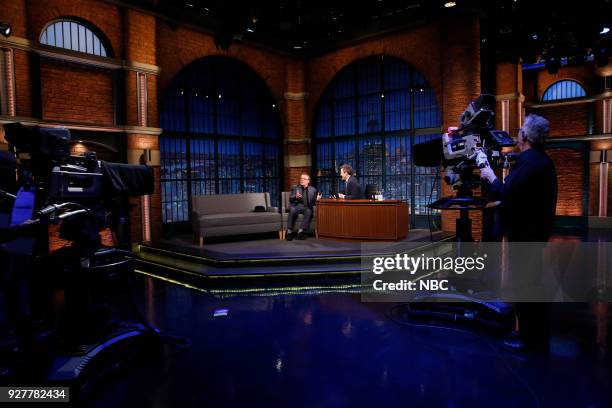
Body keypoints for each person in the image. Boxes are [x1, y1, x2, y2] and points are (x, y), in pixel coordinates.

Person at [480, 113, 557, 351]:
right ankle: (534, 336)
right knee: (531, 285)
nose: (518, 131)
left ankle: (528, 339)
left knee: (526, 287)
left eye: (521, 128)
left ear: (525, 136)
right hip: (534, 235)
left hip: (526, 236)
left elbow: (506, 192)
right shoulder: (541, 160)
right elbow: (523, 197)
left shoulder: (530, 161)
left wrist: (488, 174)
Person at [286, 173, 320, 241]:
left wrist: (317, 200)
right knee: (292, 210)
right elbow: (290, 199)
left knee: (309, 212)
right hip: (297, 206)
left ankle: (300, 231)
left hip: (306, 207)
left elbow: (313, 202)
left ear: (308, 181)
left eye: (304, 179)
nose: (302, 180)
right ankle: (289, 232)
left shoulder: (313, 190)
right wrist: (295, 197)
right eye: (301, 178)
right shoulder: (295, 188)